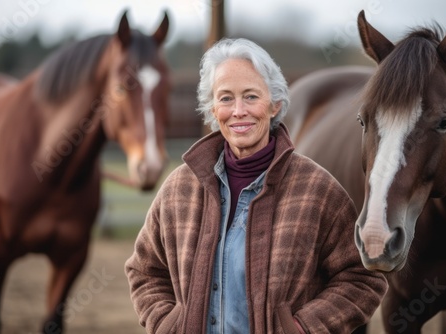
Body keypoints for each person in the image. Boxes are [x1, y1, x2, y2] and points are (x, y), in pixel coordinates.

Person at [125, 38, 387, 334]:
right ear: (212, 109)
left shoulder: (317, 190)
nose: (238, 111)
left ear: (275, 104)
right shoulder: (179, 188)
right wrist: (166, 323)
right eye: (225, 98)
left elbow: (362, 278)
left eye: (250, 96)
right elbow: (144, 270)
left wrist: (302, 328)